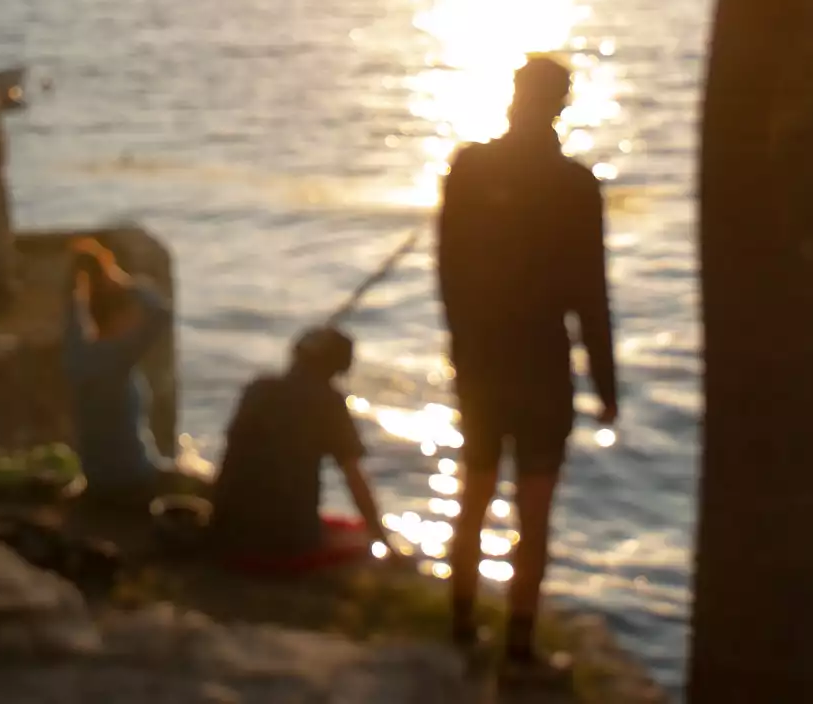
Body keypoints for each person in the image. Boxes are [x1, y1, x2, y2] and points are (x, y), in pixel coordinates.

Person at [436, 54, 618, 669]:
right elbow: (592, 296)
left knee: (475, 491)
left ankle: (461, 623)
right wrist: (607, 384)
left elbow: (448, 272)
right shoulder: (575, 187)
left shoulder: (468, 167)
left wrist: (461, 349)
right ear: (562, 106)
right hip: (542, 365)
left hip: (483, 360)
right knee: (533, 508)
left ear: (514, 96)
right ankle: (518, 640)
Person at [205, 325, 392, 573]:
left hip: (226, 534)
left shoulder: (257, 389)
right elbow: (354, 478)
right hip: (287, 544)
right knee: (356, 535)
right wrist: (383, 540)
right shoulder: (329, 402)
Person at [62, 238, 180, 505]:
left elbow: (72, 308)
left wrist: (83, 278)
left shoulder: (77, 353)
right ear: (118, 316)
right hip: (130, 481)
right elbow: (161, 314)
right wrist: (125, 284)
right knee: (198, 484)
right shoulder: (116, 359)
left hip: (95, 480)